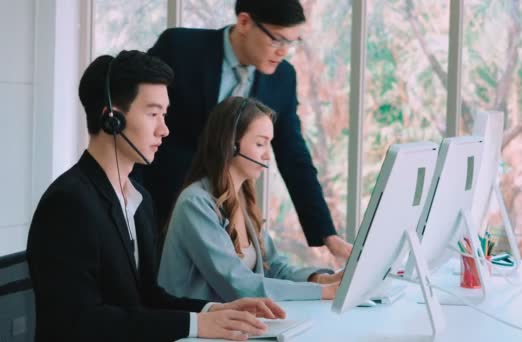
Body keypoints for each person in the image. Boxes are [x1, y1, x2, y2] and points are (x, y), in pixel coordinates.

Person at [26, 50, 285, 342]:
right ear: (112, 120)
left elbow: (148, 298)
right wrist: (196, 326)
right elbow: (80, 323)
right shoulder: (69, 204)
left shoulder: (139, 200)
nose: (164, 130)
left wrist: (214, 311)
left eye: (164, 114)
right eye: (153, 114)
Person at [140, 0, 352, 261]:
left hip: (225, 218)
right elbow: (135, 113)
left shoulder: (282, 78)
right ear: (244, 22)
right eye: (277, 40)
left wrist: (326, 234)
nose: (283, 51)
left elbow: (293, 155)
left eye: (292, 42)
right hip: (156, 206)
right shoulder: (180, 48)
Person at [158, 97, 343, 302]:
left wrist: (322, 280)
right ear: (231, 145)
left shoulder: (243, 202)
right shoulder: (195, 204)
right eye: (259, 143)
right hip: (198, 329)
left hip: (234, 326)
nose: (267, 156)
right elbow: (238, 284)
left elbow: (274, 268)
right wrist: (323, 293)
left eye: (268, 145)